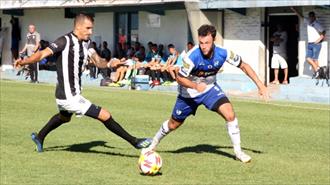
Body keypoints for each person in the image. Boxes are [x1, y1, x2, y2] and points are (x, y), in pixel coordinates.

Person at [14, 13, 152, 153]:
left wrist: (111, 62)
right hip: (69, 96)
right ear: (79, 27)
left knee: (64, 118)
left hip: (68, 93)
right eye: (88, 28)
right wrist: (24, 60)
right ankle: (135, 142)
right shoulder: (64, 41)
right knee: (105, 115)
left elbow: (98, 61)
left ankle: (39, 137)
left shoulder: (87, 43)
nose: (91, 31)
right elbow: (42, 54)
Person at [144, 24, 269, 163]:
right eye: (201, 43)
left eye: (207, 43)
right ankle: (153, 143)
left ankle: (238, 152)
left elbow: (244, 65)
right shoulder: (192, 56)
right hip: (188, 94)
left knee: (230, 115)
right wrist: (195, 86)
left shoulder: (224, 53)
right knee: (173, 124)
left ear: (213, 40)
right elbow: (179, 77)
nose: (203, 46)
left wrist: (260, 85)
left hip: (209, 90)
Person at [291, 7, 326, 77]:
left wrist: (319, 39)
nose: (310, 18)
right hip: (310, 44)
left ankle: (318, 73)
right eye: (310, 17)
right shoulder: (308, 22)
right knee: (309, 59)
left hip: (316, 44)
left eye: (312, 17)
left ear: (314, 17)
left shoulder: (317, 24)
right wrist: (294, 10)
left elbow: (323, 32)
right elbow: (300, 16)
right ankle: (318, 71)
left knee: (314, 59)